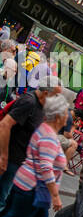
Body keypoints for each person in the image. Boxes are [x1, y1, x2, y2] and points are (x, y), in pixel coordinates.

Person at [0, 92, 68, 217]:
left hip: (32, 184)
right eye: (65, 113)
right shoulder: (49, 136)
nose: (67, 117)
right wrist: (55, 195)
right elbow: (45, 167)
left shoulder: (43, 129)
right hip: (33, 186)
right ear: (57, 116)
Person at [0, 76, 61, 209]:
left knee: (6, 200)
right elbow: (4, 125)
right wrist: (3, 157)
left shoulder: (41, 105)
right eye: (55, 96)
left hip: (19, 160)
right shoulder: (29, 102)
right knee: (2, 199)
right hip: (10, 159)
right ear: (46, 93)